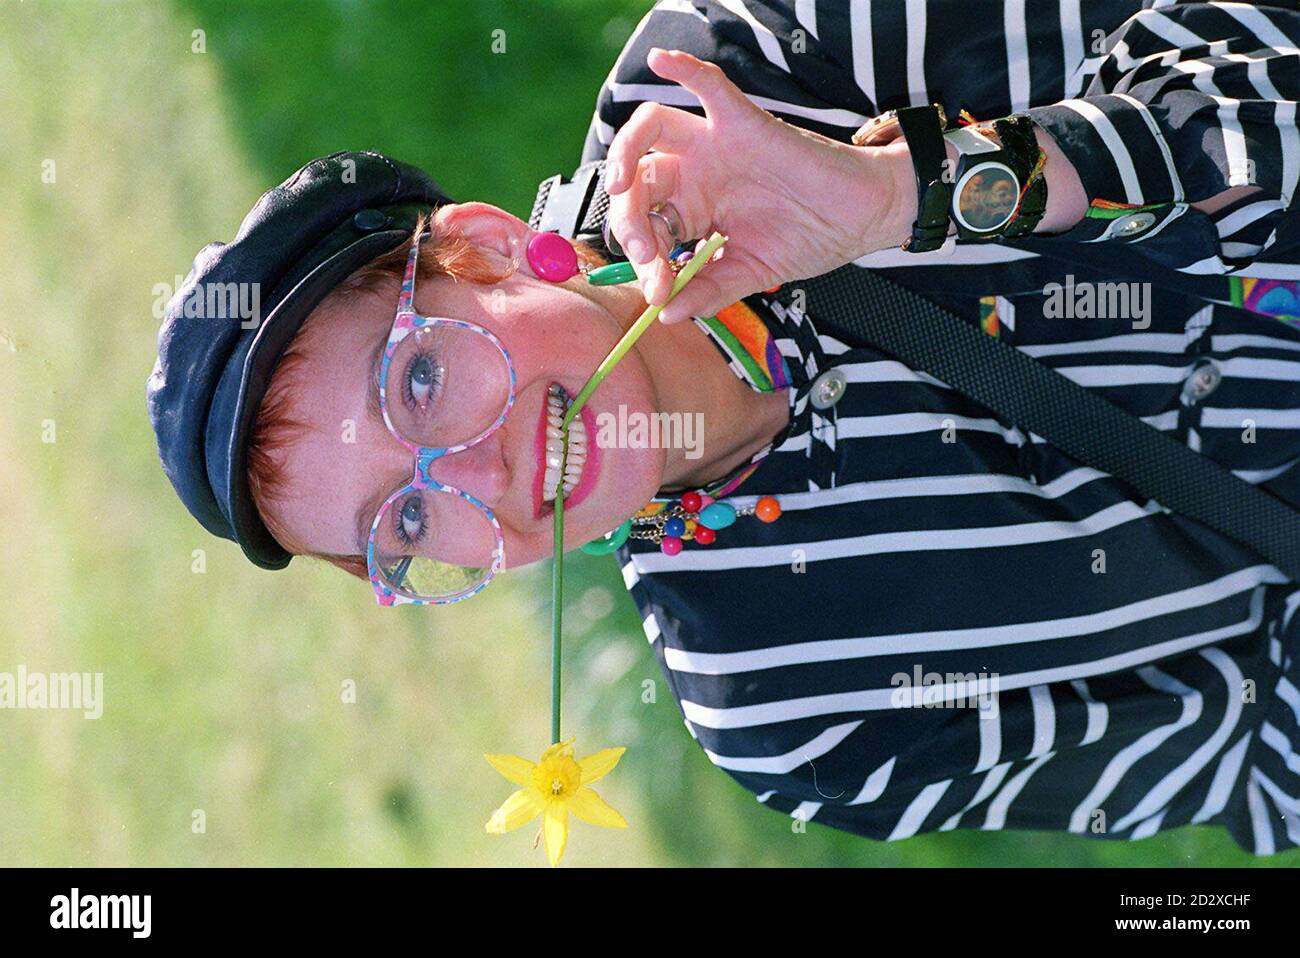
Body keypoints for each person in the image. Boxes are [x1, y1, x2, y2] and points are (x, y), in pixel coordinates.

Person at [149, 0, 1300, 854]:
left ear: (492, 247)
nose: (477, 473)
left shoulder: (742, 71)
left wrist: (906, 191)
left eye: (415, 385)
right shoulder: (785, 712)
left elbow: (1263, 50)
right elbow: (1251, 760)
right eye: (406, 515)